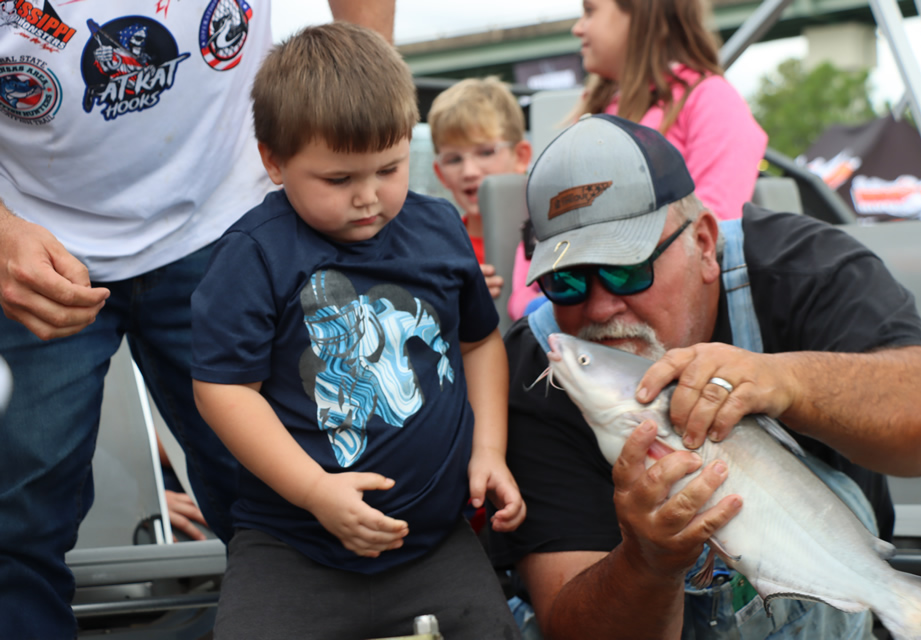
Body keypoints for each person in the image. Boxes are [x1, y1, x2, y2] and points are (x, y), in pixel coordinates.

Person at [0, 2, 394, 637]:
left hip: (232, 209)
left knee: (299, 492)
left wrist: (369, 106)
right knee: (10, 526)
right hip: (26, 237)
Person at [487, 114, 921, 639]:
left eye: (628, 268)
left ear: (706, 244)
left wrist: (789, 381)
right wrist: (648, 561)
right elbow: (567, 623)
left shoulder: (800, 269)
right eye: (566, 280)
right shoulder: (537, 369)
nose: (599, 307)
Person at [191, 23, 525, 639]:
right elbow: (224, 390)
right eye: (339, 180)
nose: (369, 197)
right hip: (292, 546)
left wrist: (490, 451)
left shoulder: (438, 230)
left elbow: (479, 343)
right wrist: (316, 491)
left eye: (390, 168)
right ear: (274, 160)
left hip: (434, 542)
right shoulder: (254, 255)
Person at [571, 0, 767, 221]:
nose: (577, 29)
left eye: (589, 11)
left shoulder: (712, 101)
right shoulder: (593, 111)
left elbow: (709, 231)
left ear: (641, 13)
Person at [428, 76, 542, 320]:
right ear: (440, 173)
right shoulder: (436, 253)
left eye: (486, 152)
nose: (469, 171)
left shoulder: (554, 233)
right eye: (454, 159)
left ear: (521, 155)